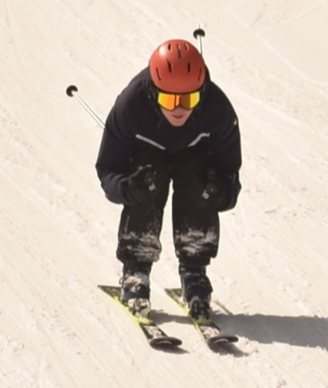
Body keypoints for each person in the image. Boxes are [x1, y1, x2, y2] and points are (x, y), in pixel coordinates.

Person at [95, 38, 242, 320]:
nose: (179, 109)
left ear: (202, 93)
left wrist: (218, 192)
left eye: (189, 99)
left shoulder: (218, 110)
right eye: (169, 99)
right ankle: (136, 270)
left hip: (193, 159)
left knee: (199, 179)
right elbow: (107, 169)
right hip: (149, 158)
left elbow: (231, 175)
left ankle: (194, 271)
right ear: (153, 93)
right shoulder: (130, 107)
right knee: (147, 180)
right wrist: (127, 188)